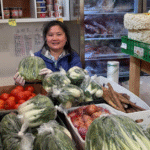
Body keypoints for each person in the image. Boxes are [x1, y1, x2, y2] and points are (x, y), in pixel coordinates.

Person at [14, 20, 82, 86]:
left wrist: (53, 78)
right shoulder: (35, 58)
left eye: (59, 34)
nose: (54, 38)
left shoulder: (74, 58)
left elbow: (78, 84)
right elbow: (30, 87)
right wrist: (20, 83)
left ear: (66, 38)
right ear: (46, 38)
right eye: (50, 35)